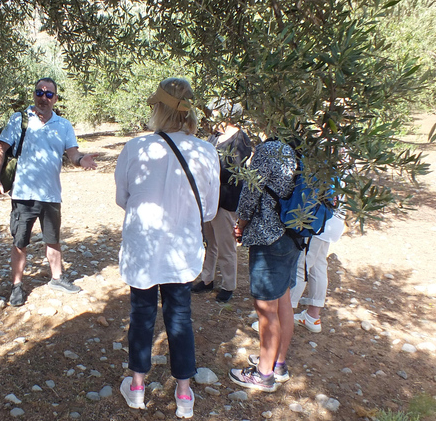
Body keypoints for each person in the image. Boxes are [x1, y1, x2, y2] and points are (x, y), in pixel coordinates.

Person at [114, 77, 220, 419]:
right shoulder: (206, 150)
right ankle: (184, 395)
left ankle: (138, 386)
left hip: (142, 247)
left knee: (141, 314)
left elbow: (123, 198)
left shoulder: (135, 147)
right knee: (180, 316)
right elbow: (210, 210)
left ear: (159, 109)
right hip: (182, 248)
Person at [0, 77, 98, 307]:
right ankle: (17, 286)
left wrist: (81, 160)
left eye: (49, 94)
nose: (44, 97)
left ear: (55, 99)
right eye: (40, 92)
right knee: (20, 241)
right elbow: (0, 148)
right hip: (23, 195)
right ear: (34, 94)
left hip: (51, 195)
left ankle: (57, 278)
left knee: (53, 240)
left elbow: (72, 154)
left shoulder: (63, 125)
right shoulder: (19, 119)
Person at [230, 138, 299, 392]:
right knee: (283, 300)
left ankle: (264, 375)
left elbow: (250, 193)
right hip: (293, 234)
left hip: (269, 237)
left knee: (266, 309)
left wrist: (241, 224)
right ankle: (278, 364)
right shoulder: (300, 147)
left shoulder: (271, 149)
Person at [192, 103, 251, 302]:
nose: (212, 114)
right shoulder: (215, 136)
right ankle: (207, 279)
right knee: (209, 242)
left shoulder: (240, 139)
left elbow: (232, 170)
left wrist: (207, 170)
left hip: (226, 200)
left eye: (216, 111)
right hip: (210, 199)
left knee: (226, 247)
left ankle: (228, 286)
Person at [291, 204, 346, 333]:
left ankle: (280, 316)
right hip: (332, 222)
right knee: (318, 265)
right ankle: (312, 316)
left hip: (318, 223)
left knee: (301, 267)